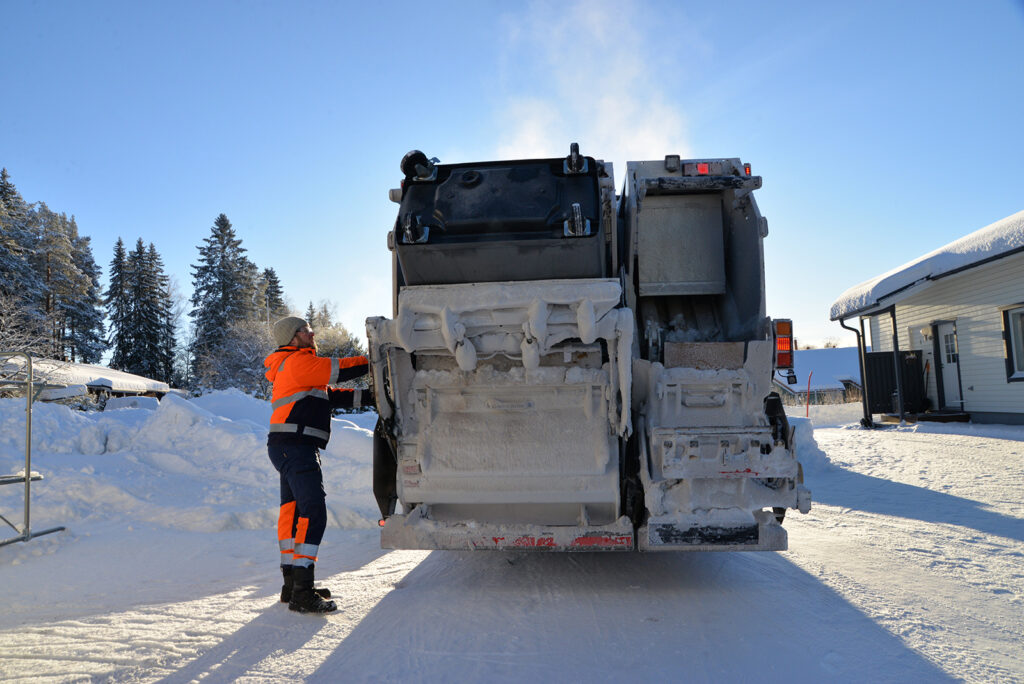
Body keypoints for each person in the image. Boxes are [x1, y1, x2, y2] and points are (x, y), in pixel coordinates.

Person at [264, 316, 372, 613]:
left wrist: (373, 397)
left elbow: (328, 395)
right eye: (306, 330)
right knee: (314, 512)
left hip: (286, 446)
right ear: (293, 337)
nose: (312, 334)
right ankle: (303, 592)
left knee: (293, 513)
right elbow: (338, 370)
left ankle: (293, 585)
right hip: (296, 447)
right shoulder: (298, 362)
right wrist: (376, 359)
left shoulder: (293, 366)